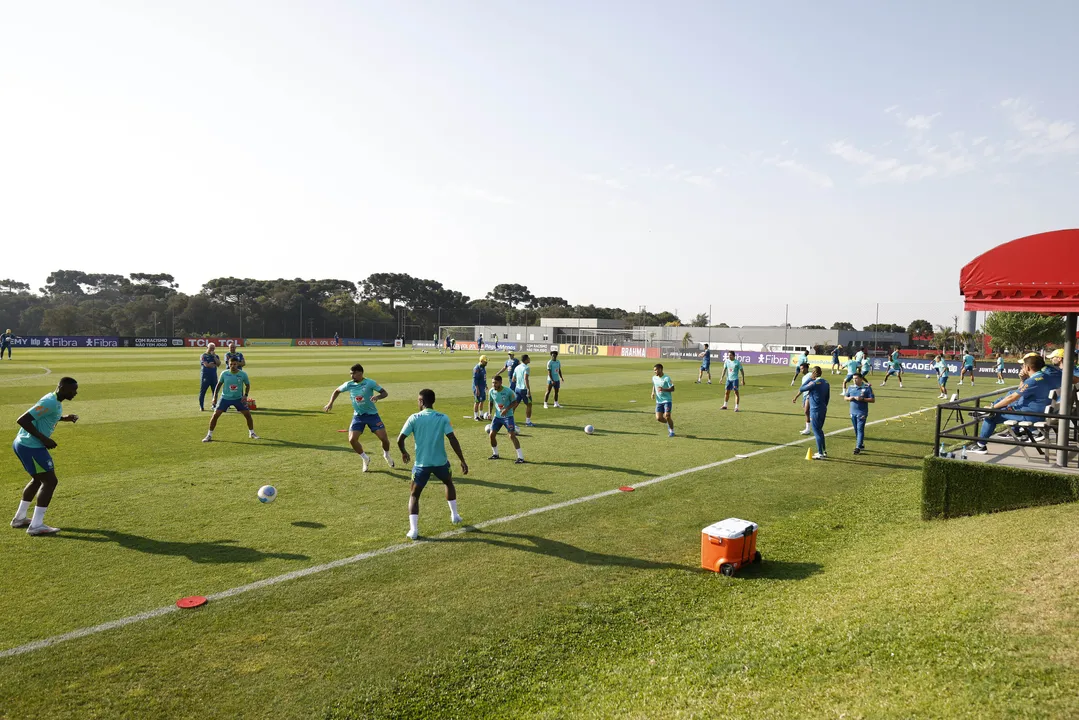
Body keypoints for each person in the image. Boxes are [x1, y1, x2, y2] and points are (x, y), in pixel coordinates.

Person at [9, 377, 79, 535]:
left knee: (37, 480)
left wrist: (63, 418)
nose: (75, 393)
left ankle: (19, 518)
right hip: (31, 447)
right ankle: (36, 525)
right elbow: (23, 420)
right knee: (50, 481)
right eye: (72, 390)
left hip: (22, 443)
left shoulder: (53, 400)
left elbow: (44, 415)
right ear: (61, 388)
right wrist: (44, 439)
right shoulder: (50, 402)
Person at [397, 389, 468, 540]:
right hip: (441, 463)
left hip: (421, 464)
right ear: (433, 401)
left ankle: (413, 530)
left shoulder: (414, 418)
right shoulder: (443, 417)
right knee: (448, 483)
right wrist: (462, 460)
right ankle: (454, 515)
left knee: (415, 495)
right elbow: (452, 439)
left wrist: (404, 452)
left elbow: (400, 439)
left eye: (418, 400)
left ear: (421, 402)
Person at [967, 355, 1053, 454]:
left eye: (1023, 365)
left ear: (1028, 368)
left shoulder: (1032, 381)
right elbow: (1018, 393)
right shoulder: (1045, 377)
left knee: (991, 416)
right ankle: (986, 412)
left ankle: (980, 445)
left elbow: (1013, 397)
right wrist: (1023, 379)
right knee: (1000, 404)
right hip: (1039, 413)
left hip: (1030, 415)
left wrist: (992, 408)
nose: (1022, 367)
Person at [323, 363, 394, 471]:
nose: (352, 376)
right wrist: (330, 403)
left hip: (372, 416)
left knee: (384, 439)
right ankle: (365, 458)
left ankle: (386, 455)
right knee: (352, 440)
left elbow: (384, 393)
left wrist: (378, 397)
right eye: (351, 374)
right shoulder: (349, 384)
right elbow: (337, 391)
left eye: (354, 373)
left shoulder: (370, 383)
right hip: (358, 416)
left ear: (361, 373)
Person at [203, 357, 259, 442]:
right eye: (231, 364)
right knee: (215, 415)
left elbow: (247, 385)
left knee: (248, 415)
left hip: (238, 399)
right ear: (228, 364)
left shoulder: (243, 374)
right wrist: (215, 396)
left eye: (235, 364)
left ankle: (252, 433)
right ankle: (209, 435)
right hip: (225, 398)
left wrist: (245, 395)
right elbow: (218, 385)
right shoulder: (224, 373)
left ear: (238, 364)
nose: (233, 366)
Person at [793, 366, 830, 459]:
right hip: (823, 408)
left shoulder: (814, 383)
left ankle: (820, 453)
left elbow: (801, 388)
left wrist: (809, 378)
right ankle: (824, 451)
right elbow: (827, 397)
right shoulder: (826, 382)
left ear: (814, 373)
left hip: (815, 409)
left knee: (817, 431)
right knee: (820, 431)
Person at [487, 375, 524, 463]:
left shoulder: (508, 391)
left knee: (511, 436)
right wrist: (489, 413)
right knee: (491, 435)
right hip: (497, 417)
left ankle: (520, 457)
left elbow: (515, 402)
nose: (493, 385)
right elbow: (490, 402)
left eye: (495, 383)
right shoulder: (491, 391)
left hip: (508, 417)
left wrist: (506, 409)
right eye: (492, 383)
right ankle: (495, 454)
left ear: (500, 382)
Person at [844, 373, 875, 454]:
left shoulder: (867, 388)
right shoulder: (851, 387)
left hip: (862, 412)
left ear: (861, 379)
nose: (854, 380)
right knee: (856, 429)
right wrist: (849, 398)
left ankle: (857, 448)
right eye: (853, 379)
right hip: (852, 412)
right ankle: (860, 444)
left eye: (856, 378)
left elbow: (872, 400)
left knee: (860, 429)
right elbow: (845, 397)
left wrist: (863, 399)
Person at [651, 363, 675, 437]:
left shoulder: (667, 378)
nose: (655, 372)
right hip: (659, 401)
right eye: (654, 370)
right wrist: (652, 393)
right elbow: (654, 385)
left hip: (667, 400)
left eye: (656, 370)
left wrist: (663, 389)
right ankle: (668, 423)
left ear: (660, 369)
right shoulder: (654, 378)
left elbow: (673, 388)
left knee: (667, 416)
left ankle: (671, 431)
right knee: (659, 418)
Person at [512, 354, 535, 427]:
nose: (529, 359)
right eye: (528, 358)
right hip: (524, 389)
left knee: (514, 405)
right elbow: (525, 379)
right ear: (526, 360)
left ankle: (509, 420)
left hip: (517, 389)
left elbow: (513, 379)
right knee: (529, 404)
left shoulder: (517, 367)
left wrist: (519, 382)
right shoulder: (526, 368)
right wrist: (528, 389)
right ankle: (528, 422)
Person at [198, 343, 221, 411]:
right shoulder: (203, 355)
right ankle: (201, 406)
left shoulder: (216, 356)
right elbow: (207, 365)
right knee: (203, 392)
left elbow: (219, 364)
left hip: (213, 376)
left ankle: (214, 405)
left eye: (213, 348)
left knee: (215, 392)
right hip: (205, 376)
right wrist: (213, 364)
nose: (212, 349)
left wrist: (214, 357)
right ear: (207, 347)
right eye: (210, 348)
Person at [797, 363, 814, 435]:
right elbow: (802, 388)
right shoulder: (803, 378)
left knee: (807, 411)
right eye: (800, 369)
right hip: (805, 396)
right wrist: (796, 397)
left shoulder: (810, 375)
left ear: (806, 368)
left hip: (809, 395)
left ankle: (808, 429)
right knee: (807, 413)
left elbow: (813, 383)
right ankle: (809, 428)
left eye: (802, 368)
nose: (801, 370)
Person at [472, 355, 490, 421]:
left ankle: (481, 415)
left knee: (482, 401)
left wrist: (485, 385)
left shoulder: (483, 367)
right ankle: (476, 416)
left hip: (482, 387)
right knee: (477, 402)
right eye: (485, 362)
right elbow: (475, 380)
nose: (486, 363)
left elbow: (483, 378)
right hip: (478, 388)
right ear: (481, 361)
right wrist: (477, 389)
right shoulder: (477, 368)